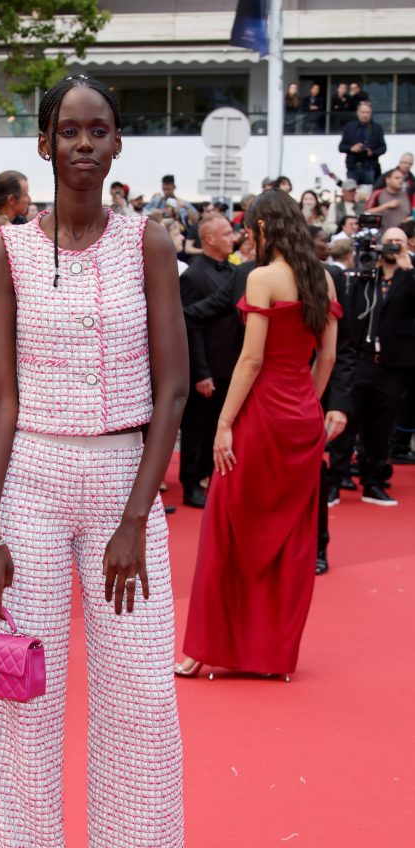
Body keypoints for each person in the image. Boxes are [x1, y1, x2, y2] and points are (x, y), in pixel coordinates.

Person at [0, 73, 195, 848]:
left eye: (100, 131)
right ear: (43, 144)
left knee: (143, 698)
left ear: (118, 146)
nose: (85, 145)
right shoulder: (6, 255)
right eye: (69, 131)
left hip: (122, 481)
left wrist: (137, 516)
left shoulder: (150, 241)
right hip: (26, 479)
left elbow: (174, 389)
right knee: (21, 703)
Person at [175, 189, 339, 680]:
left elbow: (251, 360)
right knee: (290, 538)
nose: (248, 236)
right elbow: (327, 358)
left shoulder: (265, 278)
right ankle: (273, 656)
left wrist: (225, 422)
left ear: (266, 228)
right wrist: (308, 402)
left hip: (260, 415)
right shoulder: (324, 279)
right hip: (302, 416)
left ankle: (201, 650)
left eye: (251, 229)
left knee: (226, 527)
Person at [327, 226, 415, 507]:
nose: (393, 247)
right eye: (388, 242)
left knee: (382, 426)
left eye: (398, 242)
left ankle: (373, 482)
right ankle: (335, 481)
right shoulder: (364, 274)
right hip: (360, 359)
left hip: (392, 365)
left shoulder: (410, 276)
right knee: (347, 421)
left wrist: (408, 269)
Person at [178, 213, 238, 508]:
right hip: (206, 368)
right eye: (227, 233)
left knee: (218, 426)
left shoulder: (233, 271)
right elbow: (191, 327)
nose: (234, 237)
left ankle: (207, 476)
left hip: (230, 365)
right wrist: (201, 373)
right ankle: (191, 484)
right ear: (209, 239)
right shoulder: (193, 275)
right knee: (197, 428)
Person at [338, 102, 386, 187]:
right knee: (351, 190)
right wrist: (351, 148)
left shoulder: (377, 128)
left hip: (370, 166)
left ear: (371, 114)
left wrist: (372, 153)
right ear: (358, 113)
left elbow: (383, 148)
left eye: (367, 112)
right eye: (363, 112)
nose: (365, 115)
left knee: (368, 192)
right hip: (352, 166)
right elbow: (341, 147)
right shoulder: (349, 127)